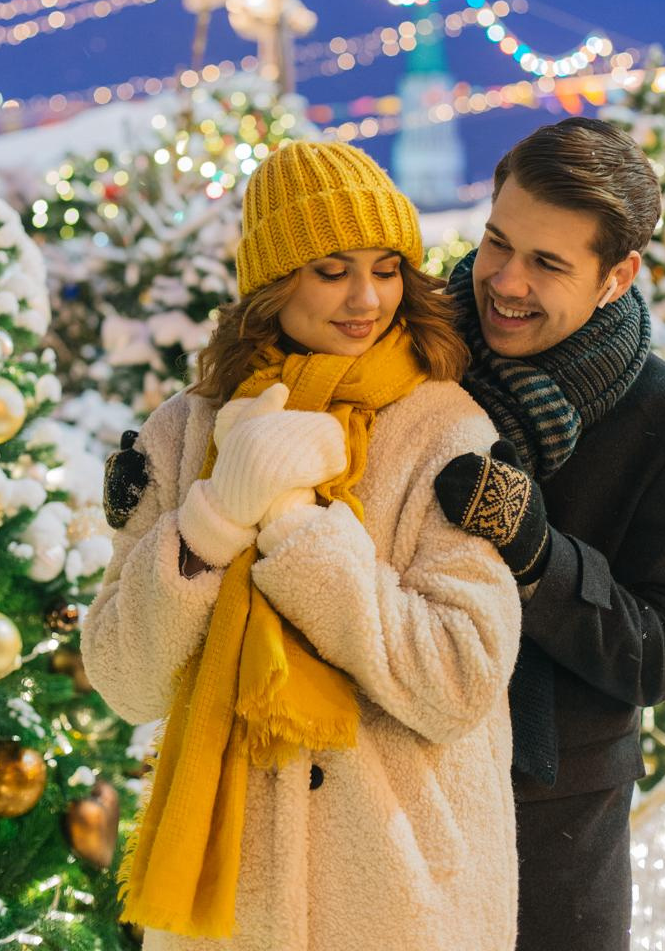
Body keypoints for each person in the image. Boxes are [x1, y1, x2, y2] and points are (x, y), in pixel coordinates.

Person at [82, 140, 522, 951]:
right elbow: (120, 678)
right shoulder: (186, 433)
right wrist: (211, 520)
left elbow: (458, 677)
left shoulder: (447, 430)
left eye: (387, 267)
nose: (366, 297)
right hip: (229, 909)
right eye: (331, 269)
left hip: (398, 899)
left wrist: (295, 530)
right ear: (272, 280)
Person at [432, 117, 665, 950]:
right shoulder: (410, 350)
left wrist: (537, 557)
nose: (505, 282)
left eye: (547, 264)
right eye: (497, 243)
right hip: (386, 780)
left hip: (551, 822)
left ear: (616, 275)